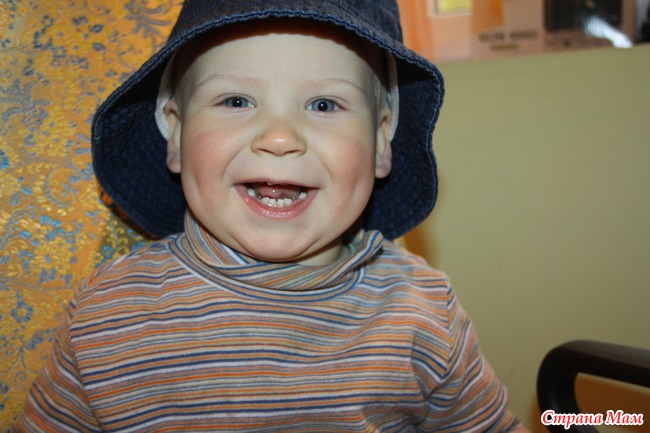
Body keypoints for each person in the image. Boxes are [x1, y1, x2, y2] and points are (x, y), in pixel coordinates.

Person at [14, 1, 529, 431]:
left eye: (324, 105)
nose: (279, 138)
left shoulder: (423, 312)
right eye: (236, 100)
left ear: (380, 141)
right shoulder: (108, 315)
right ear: (175, 133)